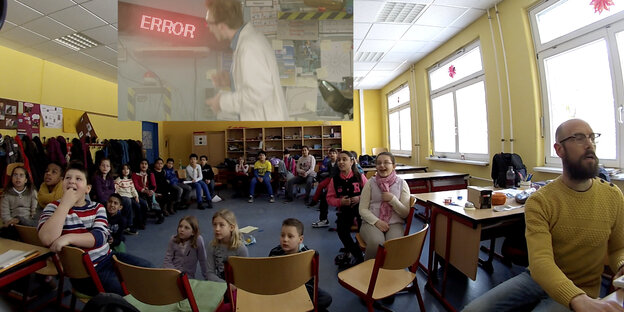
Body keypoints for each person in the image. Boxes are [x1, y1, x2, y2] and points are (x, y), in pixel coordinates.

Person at [463, 119, 624, 312]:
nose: (589, 144)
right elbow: (541, 262)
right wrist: (577, 300)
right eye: (579, 138)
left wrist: (622, 265)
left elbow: (618, 249)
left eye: (592, 137)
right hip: (537, 280)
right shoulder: (541, 200)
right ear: (559, 150)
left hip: (583, 288)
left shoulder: (613, 196)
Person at [38, 162, 153, 296]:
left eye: (78, 179)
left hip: (108, 258)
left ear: (87, 189)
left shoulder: (97, 208)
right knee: (128, 293)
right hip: (84, 274)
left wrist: (67, 238)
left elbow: (99, 238)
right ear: (62, 183)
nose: (72, 182)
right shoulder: (53, 208)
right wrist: (64, 205)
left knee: (149, 269)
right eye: (68, 178)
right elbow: (47, 238)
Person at [204, 0, 288, 121]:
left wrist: (221, 102)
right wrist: (231, 80)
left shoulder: (249, 47)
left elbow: (258, 92)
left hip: (265, 128)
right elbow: (257, 82)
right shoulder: (247, 42)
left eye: (209, 23)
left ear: (221, 25)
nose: (209, 29)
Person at [268, 218, 332, 311]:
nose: (285, 239)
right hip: (281, 290)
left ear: (300, 239)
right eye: (282, 235)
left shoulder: (307, 255)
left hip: (303, 290)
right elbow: (269, 277)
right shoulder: (274, 252)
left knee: (326, 299)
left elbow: (311, 283)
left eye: (290, 236)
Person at [358, 152, 410, 260]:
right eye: (379, 163)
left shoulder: (402, 183)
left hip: (394, 223)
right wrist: (377, 221)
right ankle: (369, 273)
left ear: (394, 166)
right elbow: (362, 209)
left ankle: (389, 273)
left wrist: (392, 199)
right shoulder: (370, 183)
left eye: (386, 162)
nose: (382, 166)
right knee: (376, 243)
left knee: (393, 245)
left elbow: (405, 213)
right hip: (371, 222)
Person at [326, 151, 368, 267]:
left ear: (352, 162)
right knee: (342, 230)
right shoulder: (334, 180)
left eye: (344, 159)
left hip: (361, 210)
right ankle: (357, 253)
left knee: (363, 228)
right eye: (339, 160)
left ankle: (359, 249)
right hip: (345, 210)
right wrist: (340, 202)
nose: (341, 162)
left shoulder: (360, 176)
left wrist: (359, 197)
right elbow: (329, 199)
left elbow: (369, 193)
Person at [206, 209, 248, 282]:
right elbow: (209, 273)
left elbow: (245, 274)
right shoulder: (212, 246)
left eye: (221, 225)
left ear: (231, 227)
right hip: (221, 284)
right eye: (214, 225)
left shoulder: (240, 249)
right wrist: (225, 285)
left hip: (238, 285)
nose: (217, 229)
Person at [163, 216, 209, 280]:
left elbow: (203, 260)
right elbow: (167, 260)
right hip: (172, 274)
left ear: (193, 232)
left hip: (188, 277)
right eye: (180, 226)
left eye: (186, 228)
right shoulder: (173, 240)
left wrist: (207, 278)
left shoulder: (198, 240)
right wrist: (174, 273)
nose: (182, 230)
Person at [1, 166, 37, 239]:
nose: (18, 178)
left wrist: (29, 222)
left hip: (28, 223)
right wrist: (11, 221)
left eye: (21, 175)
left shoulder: (32, 192)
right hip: (13, 224)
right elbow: (4, 214)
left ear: (26, 180)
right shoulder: (6, 194)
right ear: (11, 179)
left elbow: (35, 210)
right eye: (15, 175)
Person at [311, 148, 339, 228]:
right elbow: (329, 173)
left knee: (325, 193)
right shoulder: (329, 163)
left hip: (337, 184)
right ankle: (324, 220)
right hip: (331, 181)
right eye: (331, 153)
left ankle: (324, 218)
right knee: (323, 195)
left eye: (334, 153)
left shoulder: (339, 163)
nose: (332, 154)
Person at [115, 164, 145, 232]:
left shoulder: (130, 180)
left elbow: (133, 189)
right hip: (123, 197)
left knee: (138, 205)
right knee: (129, 202)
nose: (126, 170)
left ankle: (139, 222)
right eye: (124, 169)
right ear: (121, 170)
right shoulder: (119, 180)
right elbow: (115, 190)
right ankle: (129, 224)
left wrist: (136, 196)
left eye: (127, 169)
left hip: (131, 196)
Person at [132, 159, 164, 224]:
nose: (144, 165)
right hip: (139, 192)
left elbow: (154, 185)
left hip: (149, 191)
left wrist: (151, 191)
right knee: (143, 202)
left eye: (145, 164)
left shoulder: (150, 174)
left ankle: (160, 216)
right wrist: (144, 191)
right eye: (142, 163)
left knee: (153, 197)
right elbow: (136, 186)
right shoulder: (135, 174)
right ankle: (142, 220)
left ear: (148, 165)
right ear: (139, 165)